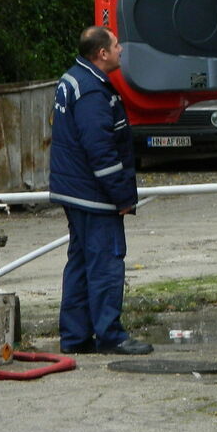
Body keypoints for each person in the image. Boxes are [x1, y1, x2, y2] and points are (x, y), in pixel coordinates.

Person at [50, 26, 153, 355]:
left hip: (76, 191)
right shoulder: (93, 91)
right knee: (106, 264)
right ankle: (110, 335)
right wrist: (121, 196)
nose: (121, 49)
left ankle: (75, 337)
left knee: (81, 263)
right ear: (102, 53)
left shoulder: (75, 79)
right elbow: (101, 149)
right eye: (116, 45)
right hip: (94, 195)